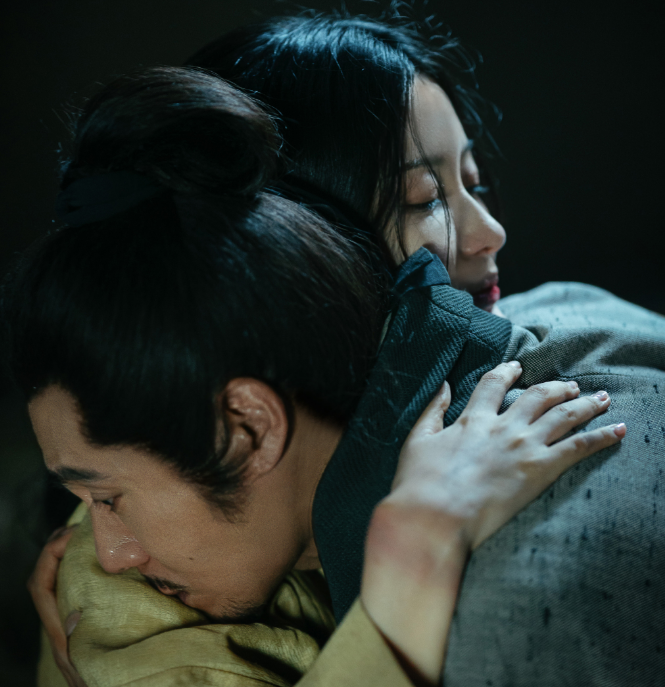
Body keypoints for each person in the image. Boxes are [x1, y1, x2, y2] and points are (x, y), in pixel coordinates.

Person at [6, 66, 623, 687]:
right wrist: (415, 554)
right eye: (95, 502)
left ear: (248, 428)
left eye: (108, 501)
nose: (111, 555)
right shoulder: (130, 622)